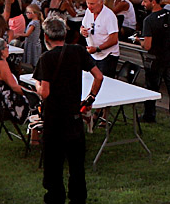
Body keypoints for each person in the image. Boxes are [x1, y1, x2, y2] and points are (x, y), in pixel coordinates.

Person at [34, 16, 103, 204]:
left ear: (46, 37)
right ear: (64, 34)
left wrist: (36, 85)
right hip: (74, 117)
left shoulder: (46, 58)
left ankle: (55, 198)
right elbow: (98, 76)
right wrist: (90, 98)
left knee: (54, 165)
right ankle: (78, 198)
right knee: (77, 165)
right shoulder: (78, 51)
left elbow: (45, 92)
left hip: (54, 119)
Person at [140, 0, 170, 129]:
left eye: (145, 1)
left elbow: (147, 45)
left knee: (152, 88)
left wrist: (138, 41)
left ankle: (149, 114)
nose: (142, 3)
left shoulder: (149, 21)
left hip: (156, 60)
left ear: (153, 2)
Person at [0, 38, 27, 123]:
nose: (8, 49)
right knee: (35, 101)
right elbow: (14, 87)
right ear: (2, 51)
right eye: (7, 47)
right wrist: (31, 93)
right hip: (5, 106)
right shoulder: (1, 64)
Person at [81, 0, 120, 77]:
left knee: (104, 81)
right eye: (88, 3)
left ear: (101, 2)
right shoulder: (88, 11)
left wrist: (97, 49)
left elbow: (114, 39)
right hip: (93, 54)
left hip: (107, 56)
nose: (89, 6)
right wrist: (82, 31)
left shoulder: (109, 16)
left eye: (92, 4)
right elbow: (83, 25)